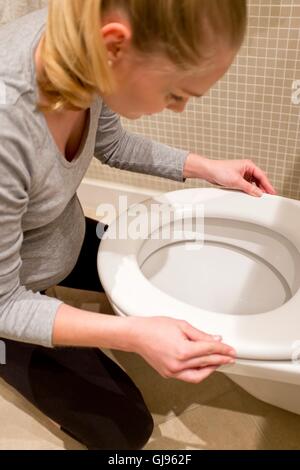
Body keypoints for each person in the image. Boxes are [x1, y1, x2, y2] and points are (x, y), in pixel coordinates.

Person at [0, 1, 276, 450]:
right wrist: (132, 335)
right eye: (175, 94)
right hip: (8, 293)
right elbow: (4, 300)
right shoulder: (7, 127)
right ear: (115, 46)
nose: (181, 109)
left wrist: (207, 167)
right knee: (126, 429)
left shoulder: (80, 46)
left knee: (180, 262)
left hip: (56, 233)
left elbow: (112, 143)